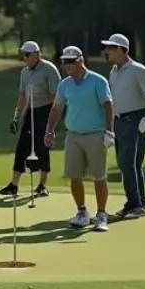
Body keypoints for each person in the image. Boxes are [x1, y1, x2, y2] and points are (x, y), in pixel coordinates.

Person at [44, 45, 115, 231]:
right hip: (73, 135)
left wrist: (109, 132)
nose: (67, 65)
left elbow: (108, 106)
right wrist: (49, 130)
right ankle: (82, 212)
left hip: (95, 134)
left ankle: (101, 215)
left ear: (81, 61)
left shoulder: (97, 81)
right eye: (64, 62)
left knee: (99, 176)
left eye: (71, 62)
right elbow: (57, 108)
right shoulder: (64, 84)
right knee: (74, 176)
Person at [101, 33, 145, 220]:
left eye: (111, 48)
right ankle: (138, 204)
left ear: (122, 50)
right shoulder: (114, 71)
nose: (107, 51)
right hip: (120, 120)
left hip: (136, 119)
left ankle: (135, 204)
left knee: (127, 162)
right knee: (130, 163)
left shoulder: (138, 70)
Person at [0, 41, 60, 199]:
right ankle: (13, 185)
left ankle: (42, 185)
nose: (24, 58)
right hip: (30, 112)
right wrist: (16, 117)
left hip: (46, 111)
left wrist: (38, 98)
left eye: (27, 55)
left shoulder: (49, 70)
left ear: (37, 54)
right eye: (23, 55)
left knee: (42, 147)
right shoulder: (24, 72)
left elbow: (57, 96)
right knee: (22, 148)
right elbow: (22, 95)